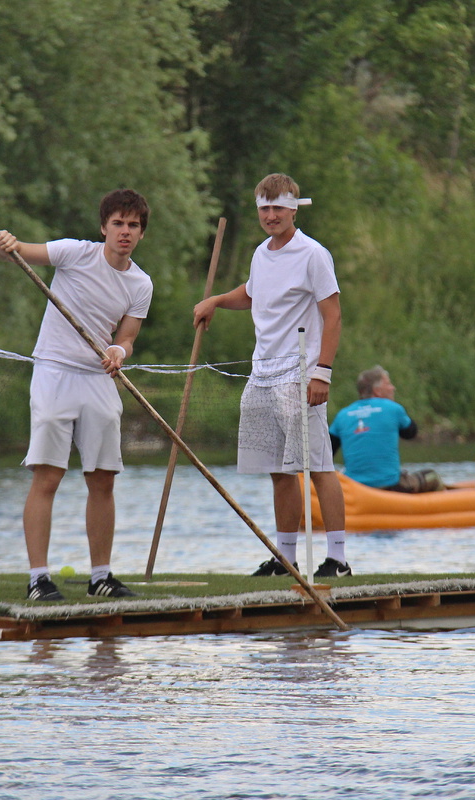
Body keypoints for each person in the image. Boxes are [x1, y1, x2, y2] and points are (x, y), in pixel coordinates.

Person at [0, 189, 153, 602]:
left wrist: (118, 351)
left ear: (141, 233)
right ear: (103, 227)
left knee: (102, 479)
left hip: (98, 379)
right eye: (117, 223)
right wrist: (4, 245)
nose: (125, 232)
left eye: (133, 226)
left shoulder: (140, 283)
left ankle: (101, 577)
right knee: (48, 474)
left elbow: (127, 337)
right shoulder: (74, 252)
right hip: (54, 371)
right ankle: (38, 579)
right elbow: (18, 252)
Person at [193, 173, 351, 578]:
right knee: (279, 472)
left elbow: (332, 316)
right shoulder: (261, 253)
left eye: (278, 207)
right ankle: (286, 559)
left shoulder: (313, 254)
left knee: (318, 467)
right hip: (262, 372)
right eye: (264, 207)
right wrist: (215, 301)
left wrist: (323, 373)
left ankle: (338, 559)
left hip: (300, 373)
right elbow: (251, 293)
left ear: (294, 208)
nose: (271, 215)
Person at [329, 366, 444, 493]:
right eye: (388, 384)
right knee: (432, 476)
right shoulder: (393, 408)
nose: (393, 388)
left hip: (355, 487)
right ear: (377, 390)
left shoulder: (342, 415)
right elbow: (411, 433)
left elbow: (328, 453)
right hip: (392, 486)